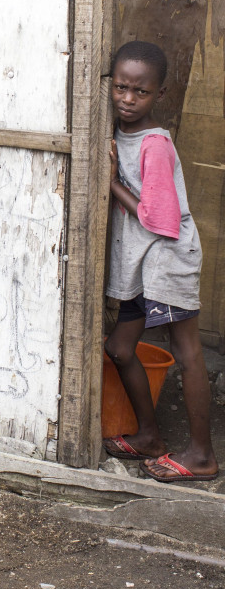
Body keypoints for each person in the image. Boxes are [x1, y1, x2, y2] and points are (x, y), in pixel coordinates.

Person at [104, 40, 218, 483]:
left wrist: (111, 182)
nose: (128, 99)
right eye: (120, 88)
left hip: (168, 258)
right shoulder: (118, 130)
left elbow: (161, 219)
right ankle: (150, 436)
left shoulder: (154, 145)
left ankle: (202, 456)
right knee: (119, 348)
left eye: (140, 92)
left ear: (160, 96)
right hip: (140, 263)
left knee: (188, 354)